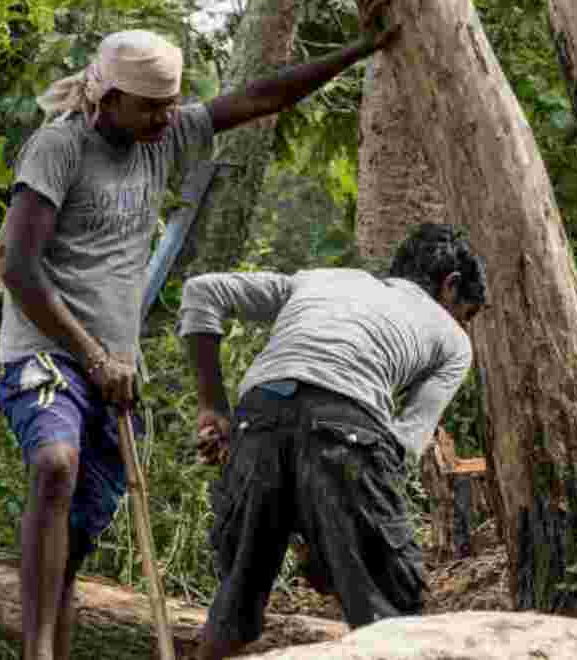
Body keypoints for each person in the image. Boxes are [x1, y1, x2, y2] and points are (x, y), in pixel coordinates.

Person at [0, 0, 400, 660]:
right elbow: (19, 270)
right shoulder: (57, 149)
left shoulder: (162, 135)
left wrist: (358, 49)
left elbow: (263, 96)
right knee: (55, 464)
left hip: (115, 365)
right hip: (49, 352)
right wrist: (92, 355)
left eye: (171, 106)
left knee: (78, 539)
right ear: (109, 98)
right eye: (152, 108)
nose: (166, 120)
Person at [178, 223, 488, 660]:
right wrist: (334, 535)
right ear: (451, 285)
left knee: (233, 611)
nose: (463, 325)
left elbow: (202, 291)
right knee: (393, 620)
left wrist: (213, 407)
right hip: (351, 427)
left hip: (259, 417)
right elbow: (403, 443)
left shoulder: (320, 278)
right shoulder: (453, 341)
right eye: (467, 313)